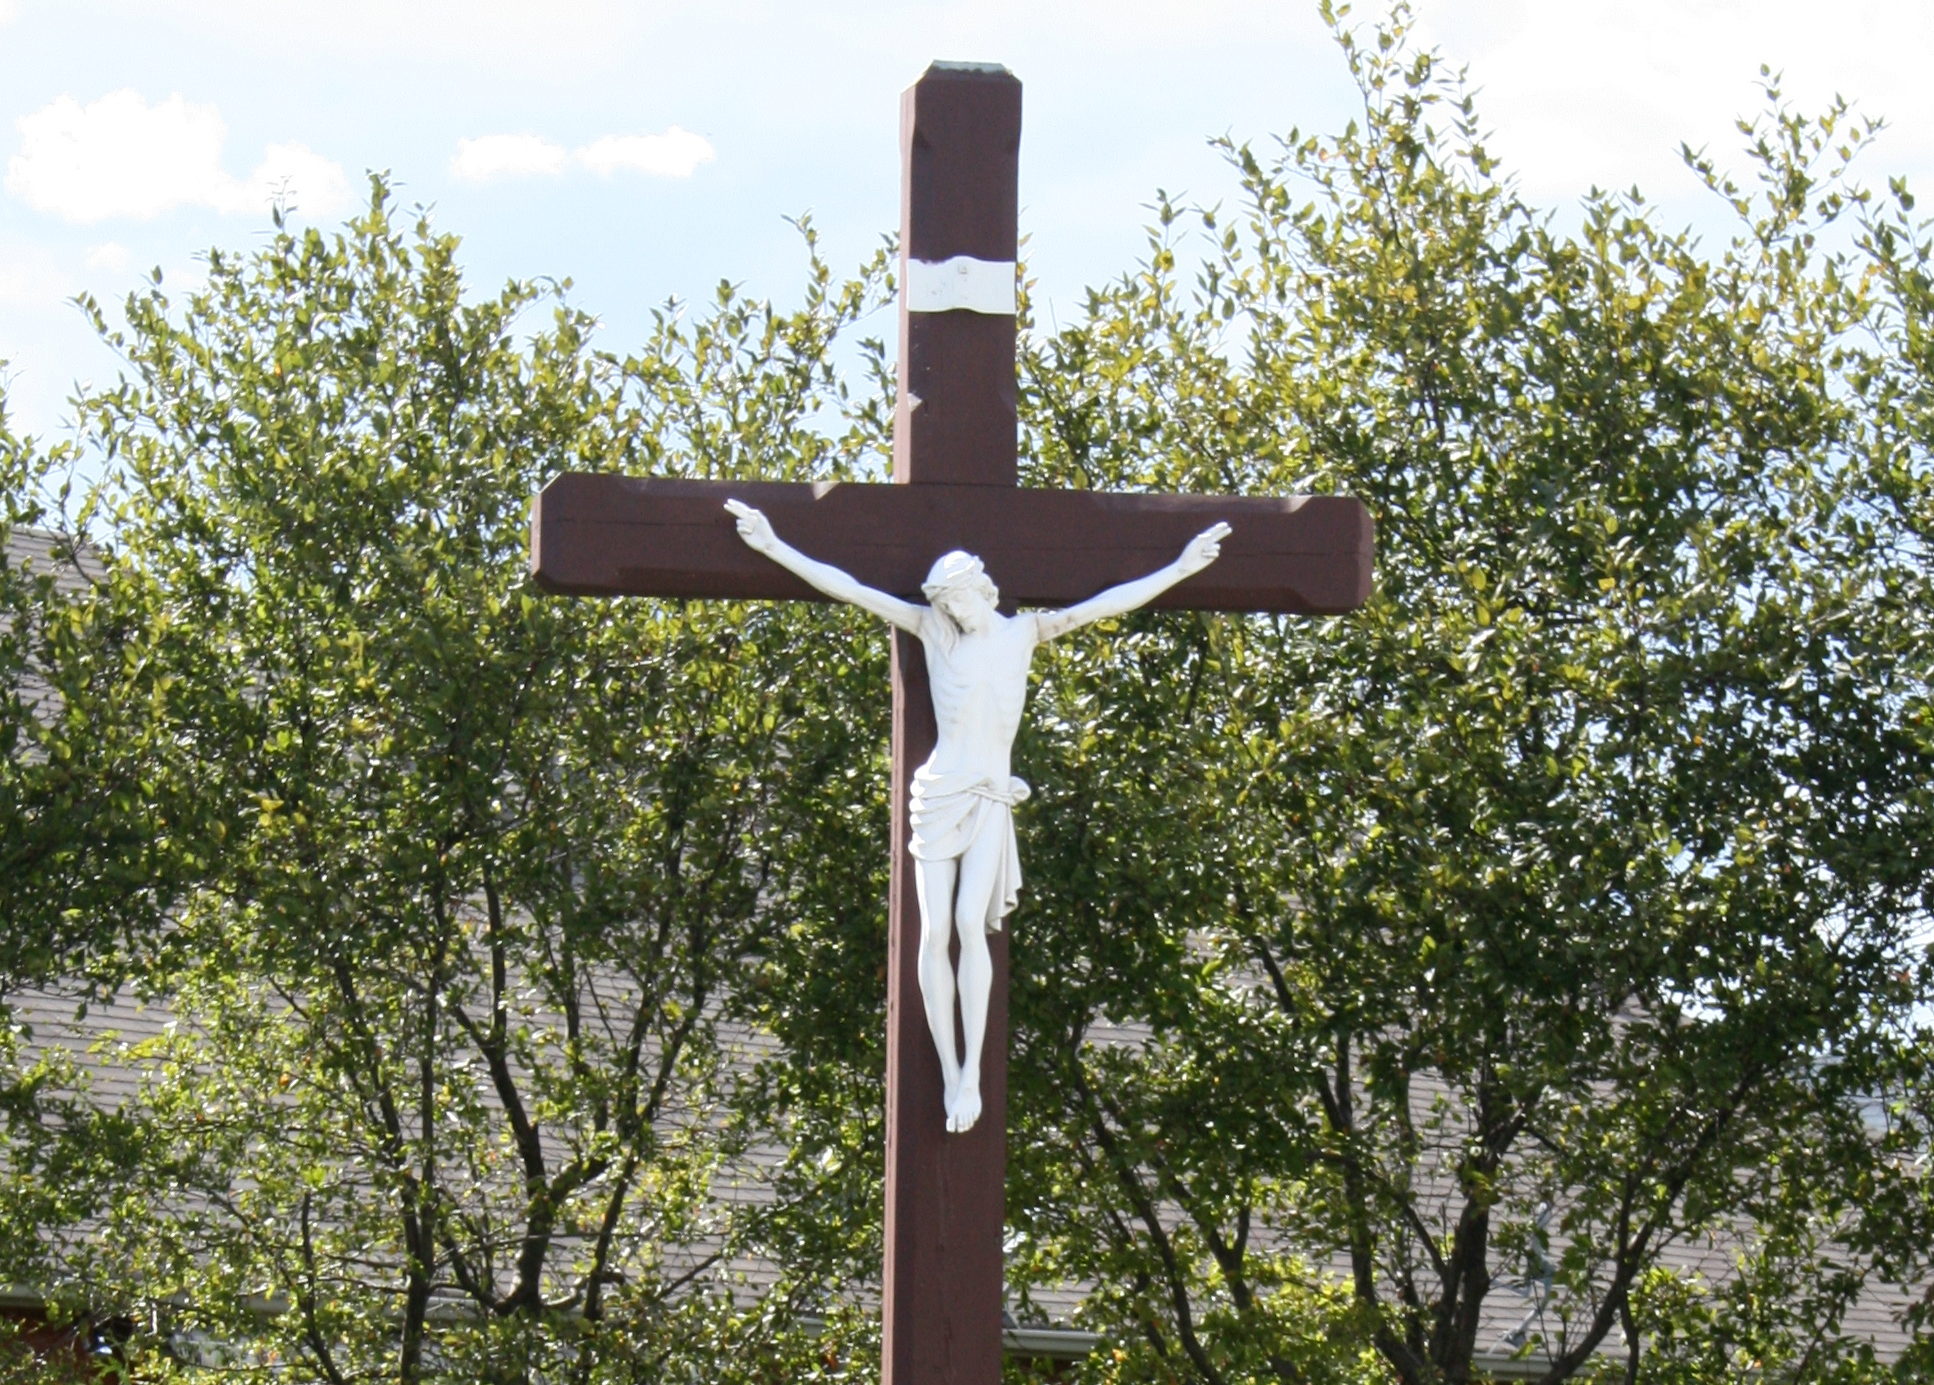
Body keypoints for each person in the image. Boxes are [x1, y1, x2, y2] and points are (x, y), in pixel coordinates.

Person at [725, 499, 1229, 1132]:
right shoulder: (934, 633)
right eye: (946, 605)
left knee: (971, 923)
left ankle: (972, 1075)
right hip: (938, 793)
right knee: (934, 933)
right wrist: (772, 546)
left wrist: (1183, 568)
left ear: (982, 590)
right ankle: (948, 1067)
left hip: (990, 793)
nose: (954, 613)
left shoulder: (1026, 633)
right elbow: (851, 589)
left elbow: (1109, 603)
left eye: (960, 600)